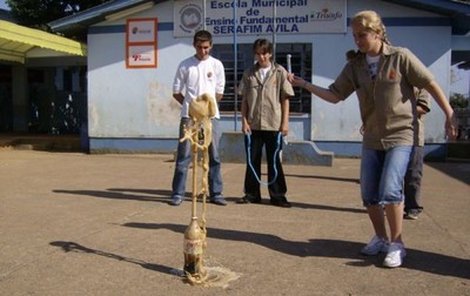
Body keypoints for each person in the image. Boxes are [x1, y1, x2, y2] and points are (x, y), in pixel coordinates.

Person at [289, 10, 457, 267]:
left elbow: (430, 83)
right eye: (355, 36)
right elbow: (335, 95)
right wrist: (304, 84)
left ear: (378, 33)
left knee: (390, 188)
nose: (357, 40)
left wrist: (449, 113)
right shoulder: (355, 66)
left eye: (362, 35)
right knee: (369, 192)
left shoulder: (400, 57)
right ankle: (380, 237)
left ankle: (397, 243)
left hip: (401, 133)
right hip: (372, 137)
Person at [170, 30, 227, 206]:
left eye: (206, 48)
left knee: (214, 155)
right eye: (200, 47)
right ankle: (178, 193)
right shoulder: (185, 65)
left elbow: (219, 92)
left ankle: (216, 193)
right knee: (184, 156)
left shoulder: (216, 65)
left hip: (210, 117)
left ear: (211, 46)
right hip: (189, 117)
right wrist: (191, 106)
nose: (203, 51)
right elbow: (176, 91)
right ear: (194, 45)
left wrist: (207, 109)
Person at [238, 38, 295, 208]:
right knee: (252, 160)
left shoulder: (279, 72)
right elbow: (244, 101)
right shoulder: (249, 73)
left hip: (273, 124)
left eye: (264, 53)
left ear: (270, 53)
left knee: (274, 161)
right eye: (257, 54)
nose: (261, 57)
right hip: (253, 124)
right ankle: (251, 194)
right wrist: (244, 121)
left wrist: (285, 123)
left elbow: (285, 99)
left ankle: (278, 195)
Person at [404, 89, 430, 220]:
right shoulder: (395, 81)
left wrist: (399, 108)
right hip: (393, 135)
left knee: (413, 173)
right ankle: (391, 203)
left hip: (414, 136)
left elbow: (423, 108)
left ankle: (412, 207)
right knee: (392, 173)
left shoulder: (420, 85)